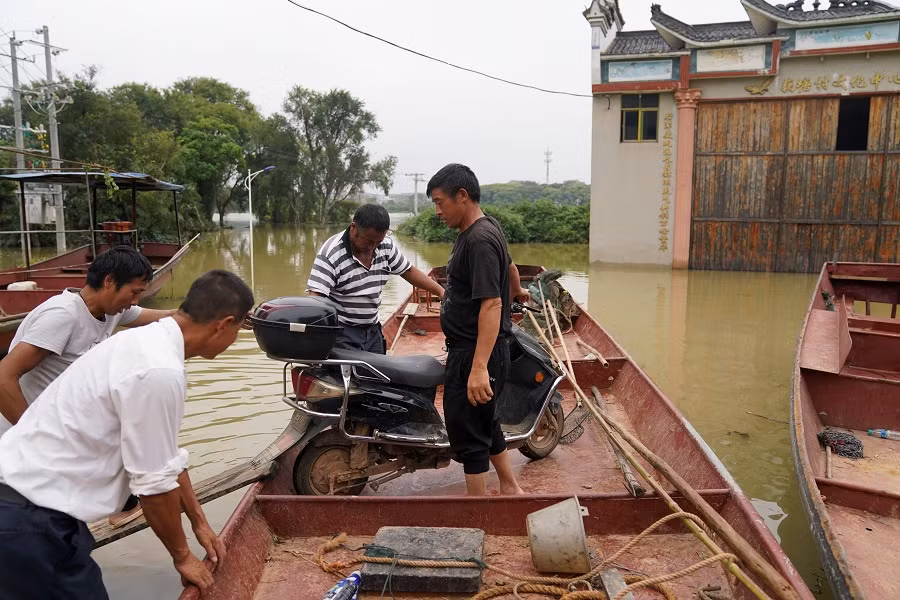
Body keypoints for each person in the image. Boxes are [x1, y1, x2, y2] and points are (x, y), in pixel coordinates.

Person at [0, 269, 254, 599]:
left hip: (23, 506)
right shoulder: (158, 371)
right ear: (223, 324)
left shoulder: (142, 342)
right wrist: (182, 556)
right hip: (31, 521)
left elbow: (166, 457)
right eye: (236, 331)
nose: (233, 340)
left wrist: (199, 522)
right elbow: (153, 485)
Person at [0, 245, 176, 437]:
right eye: (134, 292)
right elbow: (3, 377)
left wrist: (204, 310)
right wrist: (34, 434)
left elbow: (166, 316)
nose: (135, 301)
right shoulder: (62, 316)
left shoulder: (111, 311)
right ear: (109, 281)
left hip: (62, 431)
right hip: (23, 440)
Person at [427, 163, 528, 496]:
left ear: (462, 196)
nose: (438, 210)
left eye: (440, 202)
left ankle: (479, 511)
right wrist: (517, 290)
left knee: (468, 434)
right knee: (486, 421)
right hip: (479, 348)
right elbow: (511, 266)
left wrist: (478, 369)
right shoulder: (487, 228)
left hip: (475, 352)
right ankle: (511, 488)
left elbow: (491, 306)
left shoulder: (479, 240)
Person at [307, 203, 445, 353]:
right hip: (342, 333)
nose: (372, 247)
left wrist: (442, 293)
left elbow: (408, 271)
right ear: (353, 228)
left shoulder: (385, 246)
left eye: (377, 242)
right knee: (349, 376)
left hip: (373, 329)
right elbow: (316, 298)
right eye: (368, 241)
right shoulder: (331, 254)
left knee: (379, 374)